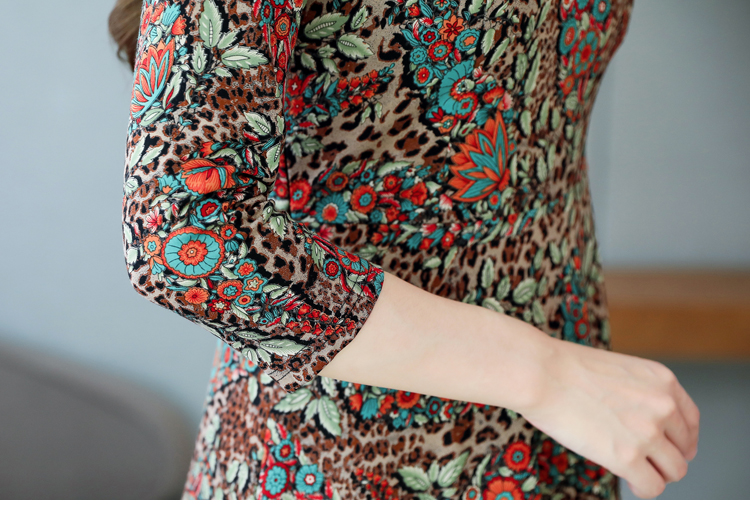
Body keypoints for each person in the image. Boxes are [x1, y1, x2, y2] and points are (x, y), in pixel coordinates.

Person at [112, 0, 699, 500]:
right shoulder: (548, 377)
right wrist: (545, 374)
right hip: (342, 459)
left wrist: (560, 383)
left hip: (558, 444)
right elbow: (182, 232)